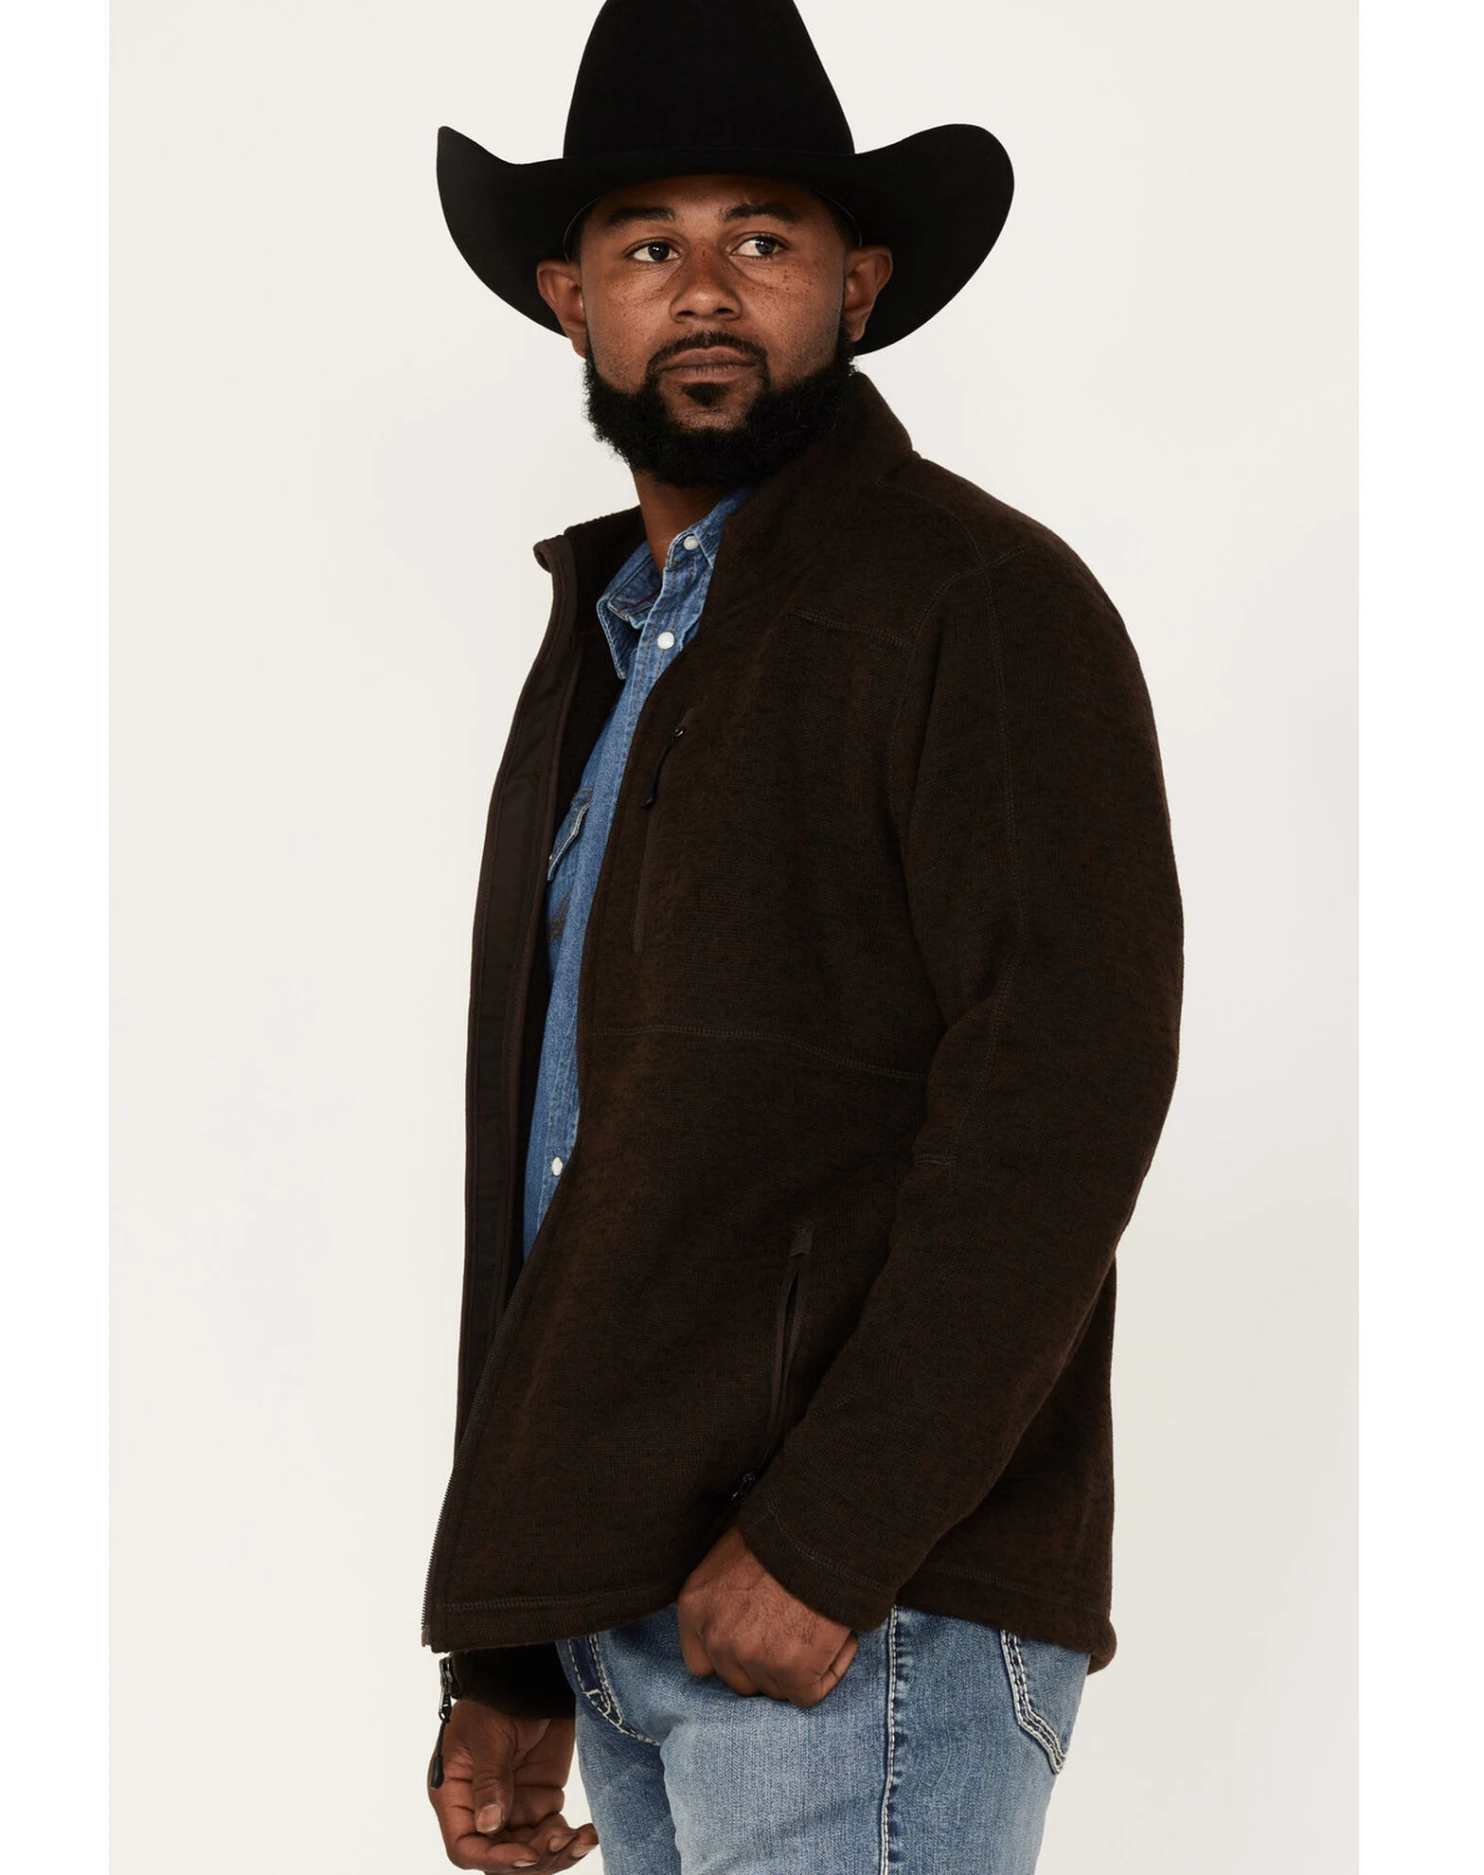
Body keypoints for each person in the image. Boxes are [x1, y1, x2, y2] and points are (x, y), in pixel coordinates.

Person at [421, 3, 1184, 1870]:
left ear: (858, 284)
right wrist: (507, 1633)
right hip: (635, 1616)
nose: (704, 290)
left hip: (860, 1621)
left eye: (760, 239)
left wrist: (832, 1539)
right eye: (646, 246)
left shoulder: (975, 600)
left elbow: (1065, 1088)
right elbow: (561, 1171)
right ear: (569, 299)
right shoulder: (608, 655)